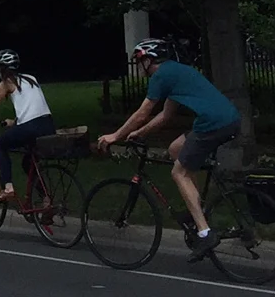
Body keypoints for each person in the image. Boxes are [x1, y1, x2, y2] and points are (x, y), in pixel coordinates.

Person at [98, 39, 243, 261]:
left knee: (178, 172)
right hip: (226, 119)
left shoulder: (161, 76)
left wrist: (115, 136)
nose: (139, 67)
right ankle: (197, 211)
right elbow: (165, 116)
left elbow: (142, 112)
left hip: (212, 124)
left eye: (139, 62)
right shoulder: (175, 71)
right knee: (176, 148)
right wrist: (141, 133)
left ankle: (205, 232)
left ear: (148, 60)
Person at [0, 49, 55, 201]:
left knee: (0, 145)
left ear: (1, 69)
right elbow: (32, 108)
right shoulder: (31, 78)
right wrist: (14, 122)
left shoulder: (6, 83)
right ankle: (46, 200)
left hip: (30, 127)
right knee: (28, 163)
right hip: (47, 125)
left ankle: (8, 188)